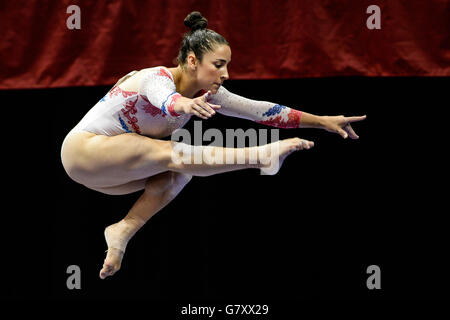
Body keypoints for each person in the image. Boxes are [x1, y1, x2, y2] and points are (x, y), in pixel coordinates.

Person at [60, 11, 366, 279]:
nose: (226, 74)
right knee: (173, 152)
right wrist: (185, 106)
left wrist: (322, 120)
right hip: (83, 152)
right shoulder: (155, 78)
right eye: (218, 65)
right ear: (192, 61)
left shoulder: (210, 93)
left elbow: (264, 111)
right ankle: (259, 156)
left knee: (181, 171)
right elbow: (166, 100)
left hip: (113, 175)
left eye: (227, 65)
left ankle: (124, 228)